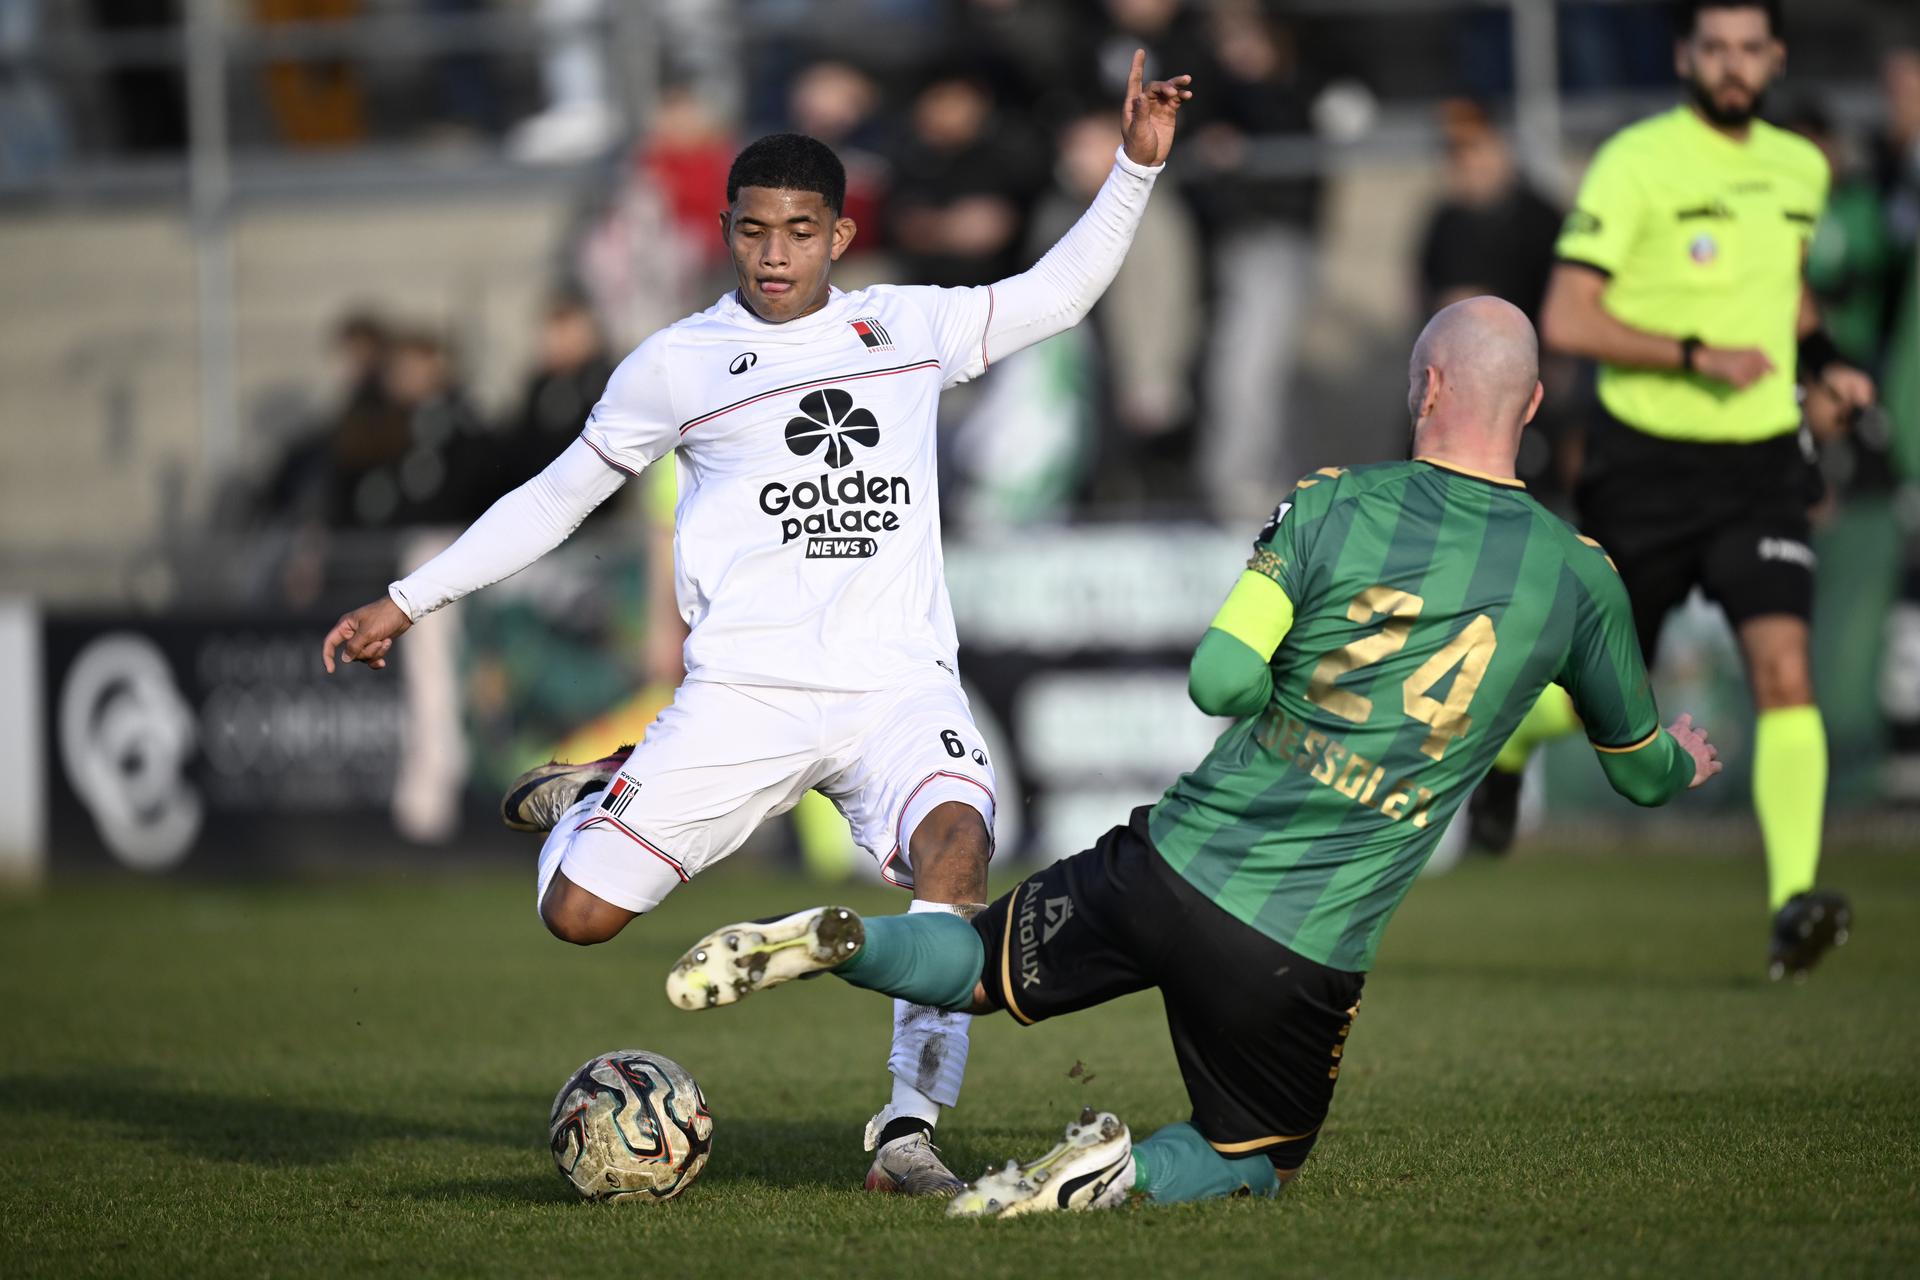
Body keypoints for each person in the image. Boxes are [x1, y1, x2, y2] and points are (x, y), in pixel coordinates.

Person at [320, 52, 1194, 1197]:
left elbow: (1058, 292)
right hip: (746, 699)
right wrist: (410, 595)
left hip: (896, 688)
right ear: (728, 233)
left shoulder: (908, 327)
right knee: (576, 915)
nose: (774, 254)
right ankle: (603, 793)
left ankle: (906, 1130)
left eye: (798, 229)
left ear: (839, 233)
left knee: (958, 860)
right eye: (752, 230)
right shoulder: (676, 364)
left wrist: (1132, 166)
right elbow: (555, 496)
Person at [661, 297, 1723, 1216]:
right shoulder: (1579, 576)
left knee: (975, 962)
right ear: (1532, 407)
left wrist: (1289, 698)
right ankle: (1102, 1175)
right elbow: (1634, 770)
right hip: (1297, 947)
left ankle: (842, 940)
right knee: (1253, 1155)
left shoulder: (1330, 500)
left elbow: (1219, 678)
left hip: (1167, 865)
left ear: (1424, 386)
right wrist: (1682, 757)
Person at [1475, 0, 1876, 981]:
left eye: (1752, 49)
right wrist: (1697, 353)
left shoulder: (1799, 166)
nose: (1734, 66)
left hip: (1760, 467)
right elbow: (1566, 315)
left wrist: (1821, 361)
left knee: (1787, 670)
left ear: (1774, 57)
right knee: (1607, 694)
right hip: (1645, 463)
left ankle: (1792, 904)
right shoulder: (1636, 161)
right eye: (1716, 49)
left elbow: (1783, 282)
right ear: (1686, 55)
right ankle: (1517, 746)